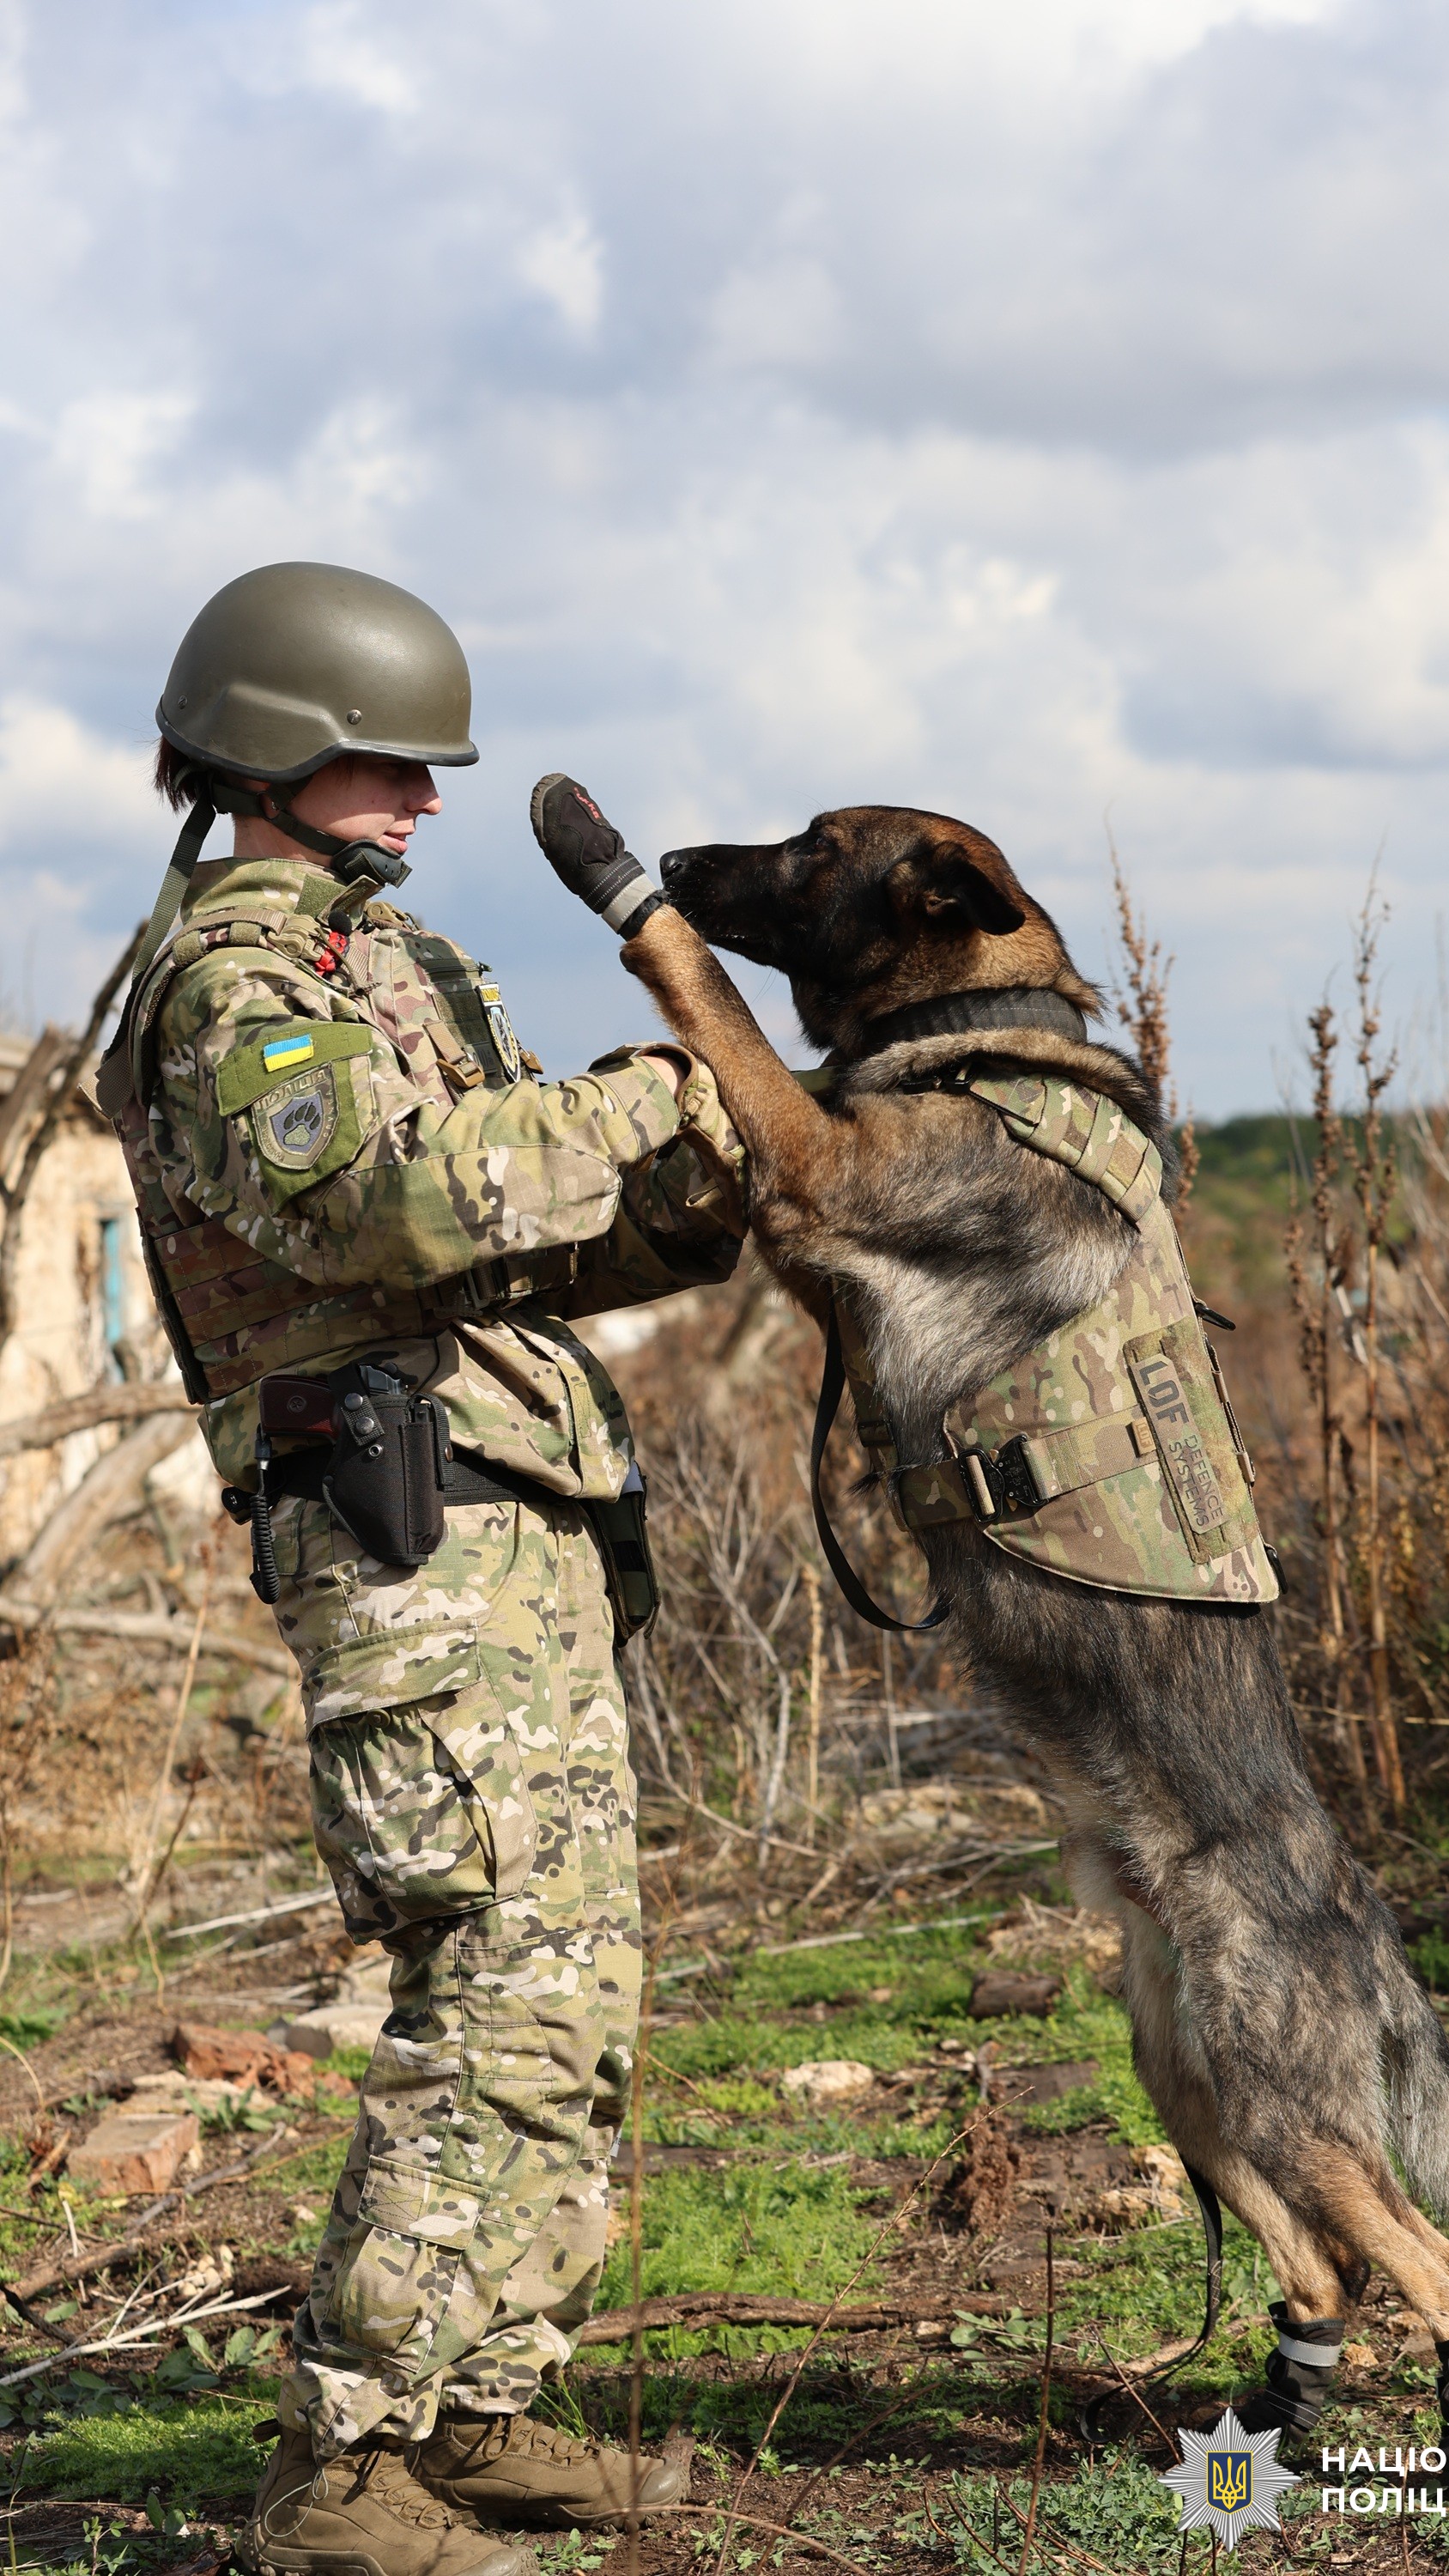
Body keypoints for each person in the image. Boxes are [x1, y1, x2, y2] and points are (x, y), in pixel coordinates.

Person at [99, 562, 744, 2576]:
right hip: (405, 1541)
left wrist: (707, 1172)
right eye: (390, 761)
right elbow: (386, 1208)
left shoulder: (397, 967)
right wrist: (654, 1084)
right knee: (483, 1989)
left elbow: (530, 1244)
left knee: (570, 1994)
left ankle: (479, 2409)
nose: (426, 801)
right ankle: (347, 2469)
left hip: (512, 1530)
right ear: (281, 753)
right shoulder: (237, 992)